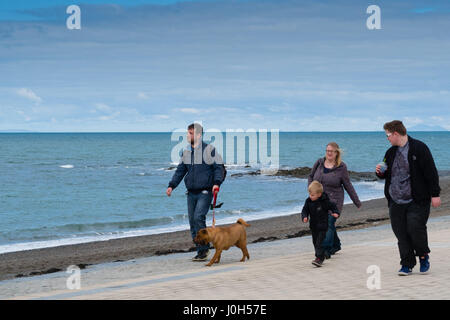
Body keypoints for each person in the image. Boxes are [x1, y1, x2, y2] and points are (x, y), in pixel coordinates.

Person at [376, 120, 441, 275]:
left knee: (415, 228)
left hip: (417, 199)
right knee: (401, 233)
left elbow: (431, 172)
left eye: (388, 135)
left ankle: (423, 255)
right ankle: (407, 264)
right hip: (395, 199)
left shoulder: (419, 148)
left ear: (396, 134)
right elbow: (385, 173)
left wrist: (435, 194)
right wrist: (380, 172)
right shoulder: (390, 152)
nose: (387, 139)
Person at [166, 123, 224, 261]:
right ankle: (201, 251)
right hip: (191, 192)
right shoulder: (186, 152)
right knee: (192, 222)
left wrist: (216, 183)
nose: (188, 135)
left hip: (205, 191)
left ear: (199, 135)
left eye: (191, 133)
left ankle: (204, 249)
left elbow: (219, 168)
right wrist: (171, 186)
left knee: (198, 217)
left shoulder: (210, 150)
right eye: (187, 133)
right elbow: (180, 171)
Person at [308, 142, 361, 258]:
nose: (329, 153)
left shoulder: (341, 167)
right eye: (327, 151)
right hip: (318, 201)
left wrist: (356, 201)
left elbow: (348, 185)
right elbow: (311, 176)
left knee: (328, 223)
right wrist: (311, 190)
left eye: (331, 151)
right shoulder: (319, 163)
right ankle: (336, 245)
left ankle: (324, 251)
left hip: (334, 201)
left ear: (336, 153)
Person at [301, 181, 340, 267]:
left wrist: (336, 213)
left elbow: (333, 206)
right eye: (309, 194)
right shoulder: (308, 201)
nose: (310, 196)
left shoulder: (324, 201)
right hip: (313, 226)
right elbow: (304, 210)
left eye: (312, 195)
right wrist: (304, 217)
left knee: (319, 242)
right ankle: (321, 255)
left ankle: (319, 258)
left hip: (322, 226)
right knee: (315, 242)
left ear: (319, 194)